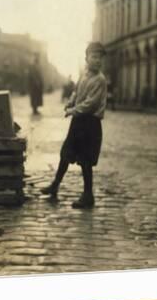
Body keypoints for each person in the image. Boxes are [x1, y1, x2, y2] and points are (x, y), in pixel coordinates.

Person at [41, 42, 108, 209]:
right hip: (78, 122)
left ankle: (88, 195)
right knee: (66, 153)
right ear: (87, 58)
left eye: (100, 58)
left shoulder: (100, 80)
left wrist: (73, 110)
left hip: (90, 124)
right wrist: (70, 102)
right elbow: (76, 92)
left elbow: (91, 104)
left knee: (86, 160)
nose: (97, 60)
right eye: (94, 57)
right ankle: (55, 185)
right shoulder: (84, 75)